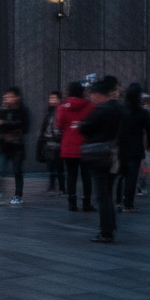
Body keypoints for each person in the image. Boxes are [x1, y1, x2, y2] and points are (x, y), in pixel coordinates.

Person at [78, 76, 126, 243]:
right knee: (108, 193)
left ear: (99, 94)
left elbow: (85, 128)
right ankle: (110, 226)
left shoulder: (101, 109)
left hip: (99, 156)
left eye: (93, 94)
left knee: (102, 195)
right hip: (115, 156)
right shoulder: (120, 108)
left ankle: (106, 231)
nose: (91, 97)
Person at [115, 83, 150, 213]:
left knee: (121, 175)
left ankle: (118, 202)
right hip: (135, 148)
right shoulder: (142, 112)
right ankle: (128, 204)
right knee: (132, 177)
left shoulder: (121, 110)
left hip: (121, 147)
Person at [57, 82, 94, 213]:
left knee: (71, 176)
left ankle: (72, 203)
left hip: (68, 146)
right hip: (85, 146)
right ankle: (87, 202)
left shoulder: (62, 107)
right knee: (87, 176)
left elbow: (59, 125)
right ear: (82, 92)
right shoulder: (90, 106)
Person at [0, 87, 29, 205]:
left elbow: (24, 127)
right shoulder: (3, 110)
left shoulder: (22, 111)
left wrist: (5, 123)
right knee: (0, 171)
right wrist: (6, 123)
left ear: (17, 97)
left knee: (17, 171)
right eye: (6, 97)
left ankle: (18, 195)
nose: (7, 99)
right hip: (4, 146)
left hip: (17, 146)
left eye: (10, 96)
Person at [39, 91, 65, 195]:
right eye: (51, 98)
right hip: (49, 142)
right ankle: (52, 185)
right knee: (51, 166)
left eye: (54, 98)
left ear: (59, 100)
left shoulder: (61, 110)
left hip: (58, 143)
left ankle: (62, 187)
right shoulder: (49, 111)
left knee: (59, 167)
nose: (52, 101)